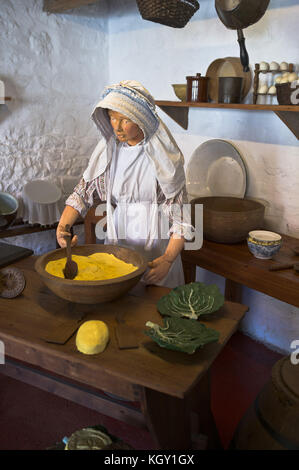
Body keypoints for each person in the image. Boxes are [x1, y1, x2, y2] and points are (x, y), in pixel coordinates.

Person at [56, 80, 193, 288]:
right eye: (112, 118)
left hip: (155, 240)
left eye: (125, 119)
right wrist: (62, 227)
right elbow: (82, 193)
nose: (117, 126)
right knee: (120, 293)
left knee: (152, 303)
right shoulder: (109, 153)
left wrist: (167, 260)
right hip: (118, 234)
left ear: (141, 119)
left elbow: (182, 221)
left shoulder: (163, 159)